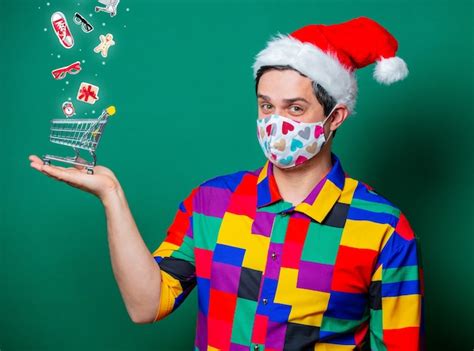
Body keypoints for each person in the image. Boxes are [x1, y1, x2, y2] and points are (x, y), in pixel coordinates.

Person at [29, 16, 425, 351]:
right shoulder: (211, 202)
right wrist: (111, 196)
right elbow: (146, 305)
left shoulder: (385, 229)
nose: (275, 122)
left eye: (296, 108)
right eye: (267, 105)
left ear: (335, 117)